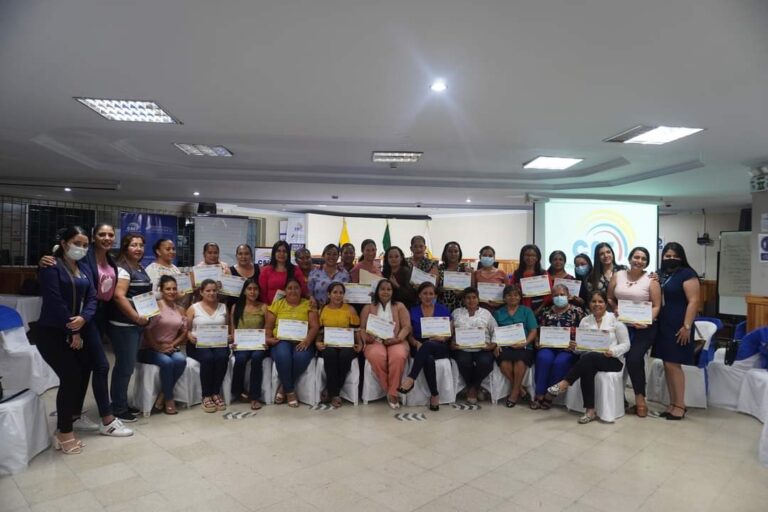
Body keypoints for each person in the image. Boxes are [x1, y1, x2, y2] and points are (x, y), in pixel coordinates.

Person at [37, 227, 132, 454]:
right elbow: (55, 300)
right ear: (64, 242)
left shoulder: (86, 267)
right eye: (76, 243)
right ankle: (73, 429)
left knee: (82, 372)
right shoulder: (52, 265)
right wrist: (73, 328)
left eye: (84, 245)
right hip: (57, 329)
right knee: (76, 374)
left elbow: (92, 296)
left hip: (86, 322)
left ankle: (71, 419)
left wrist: (83, 319)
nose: (80, 248)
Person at [546, 290, 631, 424]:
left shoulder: (616, 320)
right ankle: (590, 411)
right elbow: (581, 349)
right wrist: (575, 348)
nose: (597, 305)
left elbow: (626, 344)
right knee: (588, 363)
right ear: (589, 304)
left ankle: (564, 383)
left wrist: (613, 351)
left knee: (588, 359)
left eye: (600, 301)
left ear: (605, 304)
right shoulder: (585, 321)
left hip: (612, 360)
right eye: (593, 301)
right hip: (590, 359)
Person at [607, 246, 661, 417]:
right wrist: (615, 307)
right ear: (629, 259)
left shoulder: (651, 280)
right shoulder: (618, 275)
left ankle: (640, 399)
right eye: (636, 257)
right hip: (621, 326)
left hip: (643, 328)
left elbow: (657, 305)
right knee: (612, 358)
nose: (639, 260)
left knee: (634, 359)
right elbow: (609, 296)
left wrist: (647, 321)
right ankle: (615, 398)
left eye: (643, 258)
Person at [652, 242, 700, 420]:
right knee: (667, 364)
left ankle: (680, 405)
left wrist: (686, 326)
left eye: (674, 256)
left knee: (674, 365)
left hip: (680, 325)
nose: (670, 259)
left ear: (681, 257)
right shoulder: (660, 274)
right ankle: (672, 403)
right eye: (667, 256)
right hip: (663, 324)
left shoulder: (687, 274)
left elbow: (694, 301)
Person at [108, 233, 153, 422]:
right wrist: (136, 317)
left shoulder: (139, 267)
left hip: (137, 324)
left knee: (127, 366)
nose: (138, 249)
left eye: (141, 245)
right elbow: (119, 297)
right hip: (124, 325)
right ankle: (118, 408)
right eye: (133, 245)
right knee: (124, 367)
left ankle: (122, 402)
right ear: (125, 247)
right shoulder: (123, 270)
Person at [264, 278, 320, 407]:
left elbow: (314, 326)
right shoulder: (278, 304)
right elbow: (268, 326)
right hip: (281, 340)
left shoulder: (308, 304)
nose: (293, 291)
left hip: (303, 341)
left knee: (300, 357)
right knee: (283, 356)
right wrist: (268, 338)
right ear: (285, 291)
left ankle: (284, 388)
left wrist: (307, 341)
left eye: (296, 288)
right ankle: (290, 391)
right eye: (289, 288)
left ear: (301, 290)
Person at [397, 282, 452, 411]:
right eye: (425, 293)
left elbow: (450, 331)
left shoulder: (443, 309)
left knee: (427, 346)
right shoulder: (413, 310)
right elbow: (409, 335)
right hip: (419, 344)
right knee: (427, 358)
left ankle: (410, 379)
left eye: (431, 294)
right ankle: (435, 395)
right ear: (419, 295)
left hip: (440, 344)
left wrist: (443, 337)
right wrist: (415, 343)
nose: (428, 296)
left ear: (435, 295)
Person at [138, 275, 188, 415]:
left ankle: (162, 395)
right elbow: (146, 330)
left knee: (181, 360)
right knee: (166, 362)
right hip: (148, 347)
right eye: (168, 289)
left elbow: (184, 333)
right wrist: (157, 347)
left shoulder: (180, 309)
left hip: (169, 347)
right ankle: (169, 400)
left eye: (174, 288)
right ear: (161, 290)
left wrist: (172, 344)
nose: (172, 291)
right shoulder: (155, 306)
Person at [532, 283, 586, 409]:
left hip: (568, 348)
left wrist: (576, 344)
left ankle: (550, 395)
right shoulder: (545, 312)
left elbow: (585, 331)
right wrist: (537, 341)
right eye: (556, 295)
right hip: (548, 346)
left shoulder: (577, 311)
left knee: (560, 362)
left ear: (568, 296)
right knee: (543, 359)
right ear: (552, 297)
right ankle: (539, 394)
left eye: (562, 295)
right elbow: (537, 330)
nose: (559, 297)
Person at [361, 279, 411, 409]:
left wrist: (398, 339)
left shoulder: (399, 306)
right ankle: (391, 391)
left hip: (395, 340)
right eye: (382, 289)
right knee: (377, 356)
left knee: (398, 356)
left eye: (389, 289)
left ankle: (393, 392)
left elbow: (406, 327)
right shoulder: (368, 307)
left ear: (393, 292)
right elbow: (361, 328)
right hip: (375, 341)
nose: (385, 292)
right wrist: (367, 337)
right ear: (377, 291)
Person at [186, 279, 231, 413]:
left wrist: (228, 336)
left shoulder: (223, 307)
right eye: (208, 290)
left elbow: (227, 328)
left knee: (222, 357)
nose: (211, 293)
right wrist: (189, 336)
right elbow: (186, 330)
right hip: (198, 343)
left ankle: (215, 393)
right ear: (201, 292)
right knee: (207, 358)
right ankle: (206, 395)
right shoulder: (193, 308)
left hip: (218, 343)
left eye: (214, 290)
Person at [316, 282, 361, 407]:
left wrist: (360, 344)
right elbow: (319, 332)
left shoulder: (350, 309)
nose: (338, 295)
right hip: (329, 344)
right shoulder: (323, 310)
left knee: (345, 356)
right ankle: (335, 394)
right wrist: (317, 343)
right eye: (335, 292)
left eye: (341, 292)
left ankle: (331, 391)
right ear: (329, 294)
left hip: (347, 345)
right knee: (330, 355)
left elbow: (356, 331)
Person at [450, 287, 497, 404]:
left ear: (478, 299)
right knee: (463, 361)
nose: (471, 300)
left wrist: (492, 345)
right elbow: (448, 332)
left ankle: (472, 387)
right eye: (468, 298)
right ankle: (475, 388)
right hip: (462, 348)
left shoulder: (486, 313)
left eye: (474, 297)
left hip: (483, 347)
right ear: (463, 300)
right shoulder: (456, 313)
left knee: (485, 363)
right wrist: (451, 344)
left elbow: (495, 330)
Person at [493, 285, 538, 407]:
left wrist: (525, 343)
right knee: (504, 363)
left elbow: (533, 330)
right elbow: (494, 331)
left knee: (520, 362)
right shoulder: (498, 313)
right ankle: (521, 390)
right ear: (504, 298)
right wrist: (496, 344)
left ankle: (514, 393)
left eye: (516, 295)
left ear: (520, 297)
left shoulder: (526, 311)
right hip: (505, 346)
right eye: (509, 295)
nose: (512, 297)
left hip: (524, 346)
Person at [230, 278, 268, 410]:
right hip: (241, 344)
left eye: (255, 289)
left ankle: (255, 396)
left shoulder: (264, 307)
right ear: (244, 291)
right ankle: (238, 391)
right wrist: (234, 341)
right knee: (240, 359)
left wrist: (265, 342)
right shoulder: (236, 307)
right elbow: (233, 328)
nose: (252, 292)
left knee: (257, 358)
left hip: (259, 344)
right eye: (249, 289)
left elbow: (267, 329)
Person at [258, 240, 308, 305]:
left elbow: (303, 290)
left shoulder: (295, 270)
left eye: (284, 251)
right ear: (274, 253)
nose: (281, 254)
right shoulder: (266, 271)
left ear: (288, 254)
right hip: (270, 308)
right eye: (278, 251)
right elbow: (262, 293)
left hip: (291, 308)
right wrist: (267, 308)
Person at [510, 244, 552, 316]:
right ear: (522, 257)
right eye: (527, 255)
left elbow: (548, 295)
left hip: (541, 310)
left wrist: (538, 310)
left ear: (537, 258)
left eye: (533, 255)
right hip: (520, 309)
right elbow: (511, 291)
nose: (530, 258)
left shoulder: (543, 273)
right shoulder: (517, 273)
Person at [437, 241, 473, 311]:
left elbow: (472, 289)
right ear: (445, 253)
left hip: (461, 307)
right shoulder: (439, 268)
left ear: (459, 253)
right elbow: (434, 288)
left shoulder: (465, 268)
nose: (453, 254)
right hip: (443, 305)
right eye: (450, 251)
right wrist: (439, 289)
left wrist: (463, 293)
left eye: (456, 251)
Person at [474, 246, 509, 310]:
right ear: (480, 257)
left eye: (490, 256)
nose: (487, 257)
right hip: (480, 310)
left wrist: (500, 302)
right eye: (484, 255)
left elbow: (509, 293)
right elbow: (472, 291)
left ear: (494, 257)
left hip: (499, 310)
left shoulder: (502, 273)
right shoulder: (475, 273)